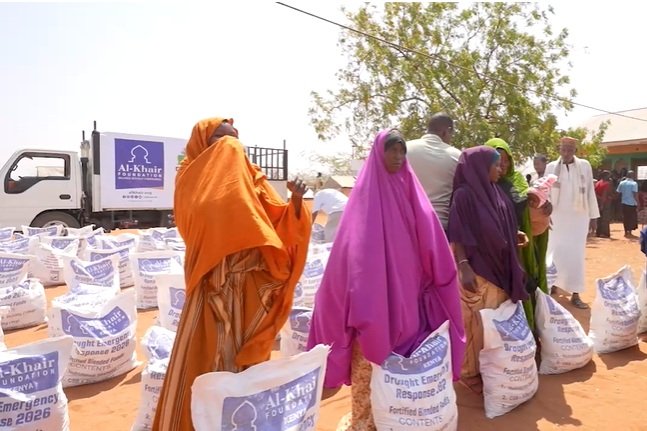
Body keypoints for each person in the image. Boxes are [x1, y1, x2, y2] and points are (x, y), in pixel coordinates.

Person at [153, 117, 312, 431]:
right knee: (202, 364)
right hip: (210, 288)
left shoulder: (252, 179)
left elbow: (280, 226)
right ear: (203, 144)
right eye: (222, 140)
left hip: (250, 291)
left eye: (236, 141)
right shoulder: (189, 179)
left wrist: (295, 201)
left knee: (245, 364)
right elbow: (198, 224)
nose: (231, 147)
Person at [307, 129, 465, 430]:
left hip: (410, 307)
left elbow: (435, 249)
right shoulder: (362, 204)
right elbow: (345, 263)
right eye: (391, 150)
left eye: (402, 151)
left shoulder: (413, 197)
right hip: (370, 311)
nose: (397, 156)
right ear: (377, 155)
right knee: (371, 374)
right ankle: (366, 422)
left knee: (402, 378)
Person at [448, 146, 528, 394]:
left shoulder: (497, 193)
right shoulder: (464, 196)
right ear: (481, 169)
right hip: (478, 270)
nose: (500, 168)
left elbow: (500, 224)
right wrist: (463, 266)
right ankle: (470, 374)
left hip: (500, 267)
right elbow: (458, 234)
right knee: (475, 324)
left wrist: (514, 235)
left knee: (495, 324)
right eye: (495, 165)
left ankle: (492, 369)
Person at [485, 138, 550, 330]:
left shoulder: (519, 181)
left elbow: (530, 210)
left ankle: (530, 335)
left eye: (507, 159)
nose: (502, 164)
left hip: (520, 248)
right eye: (498, 159)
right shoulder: (484, 185)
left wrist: (544, 206)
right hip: (495, 250)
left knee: (524, 289)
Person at [545, 136, 599, 309]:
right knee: (553, 252)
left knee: (576, 256)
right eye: (563, 149)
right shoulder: (551, 167)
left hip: (578, 218)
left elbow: (590, 191)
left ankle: (575, 293)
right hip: (556, 218)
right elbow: (545, 193)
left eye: (570, 149)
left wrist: (593, 217)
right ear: (559, 149)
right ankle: (552, 285)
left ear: (575, 151)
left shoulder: (584, 166)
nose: (566, 153)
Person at [407, 112, 461, 232]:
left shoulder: (405, 150)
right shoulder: (456, 155)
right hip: (440, 226)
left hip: (409, 225)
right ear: (446, 131)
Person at [617, 170, 638, 237]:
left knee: (625, 217)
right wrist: (638, 202)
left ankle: (626, 231)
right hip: (632, 203)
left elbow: (618, 192)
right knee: (631, 217)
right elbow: (635, 194)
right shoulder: (634, 184)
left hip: (623, 202)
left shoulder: (622, 183)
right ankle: (630, 231)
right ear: (632, 175)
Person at [594, 170, 613, 238]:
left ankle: (598, 232)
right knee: (605, 218)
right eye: (609, 175)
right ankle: (605, 233)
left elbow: (595, 193)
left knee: (599, 218)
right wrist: (602, 203)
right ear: (606, 176)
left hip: (598, 202)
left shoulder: (598, 183)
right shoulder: (607, 184)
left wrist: (599, 200)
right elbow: (605, 194)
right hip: (605, 203)